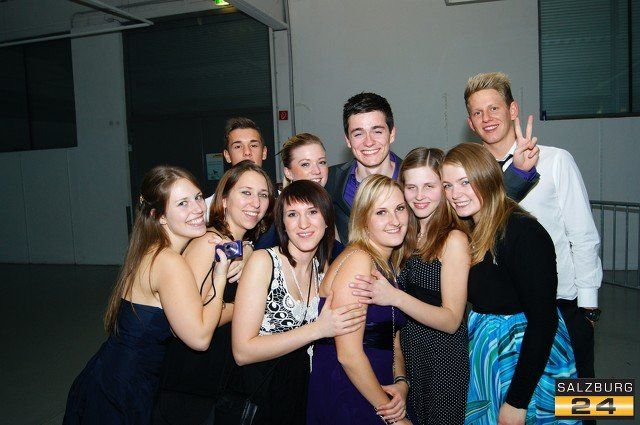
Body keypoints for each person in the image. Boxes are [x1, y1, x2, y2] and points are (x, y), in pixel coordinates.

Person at [464, 72, 602, 392]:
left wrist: (588, 306)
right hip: (504, 314)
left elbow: (582, 234)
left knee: (583, 398)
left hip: (562, 304)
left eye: (494, 108)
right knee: (518, 401)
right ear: (470, 123)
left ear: (512, 110)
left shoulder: (556, 161)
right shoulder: (468, 176)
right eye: (477, 112)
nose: (487, 118)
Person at [64, 166, 229, 425]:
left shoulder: (150, 249)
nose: (198, 209)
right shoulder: (168, 261)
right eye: (182, 203)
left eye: (198, 197)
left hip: (111, 374)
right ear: (159, 216)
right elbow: (199, 338)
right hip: (123, 388)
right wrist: (221, 277)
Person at [442, 143, 578, 425]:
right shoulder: (473, 228)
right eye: (448, 185)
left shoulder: (523, 232)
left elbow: (543, 322)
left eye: (465, 182)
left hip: (526, 364)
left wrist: (517, 401)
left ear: (488, 178)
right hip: (492, 358)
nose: (455, 194)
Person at [218, 180, 366, 425]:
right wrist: (318, 329)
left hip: (302, 395)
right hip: (259, 396)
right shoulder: (263, 262)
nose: (303, 224)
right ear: (283, 224)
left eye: (312, 212)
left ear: (327, 220)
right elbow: (242, 351)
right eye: (292, 214)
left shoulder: (323, 270)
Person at [350, 148, 471, 424]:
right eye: (411, 187)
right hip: (409, 357)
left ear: (444, 188)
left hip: (443, 360)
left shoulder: (453, 239)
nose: (419, 196)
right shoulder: (404, 236)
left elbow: (452, 320)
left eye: (429, 186)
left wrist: (394, 297)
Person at [326, 92, 539, 243]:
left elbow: (480, 204)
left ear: (392, 134)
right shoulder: (332, 180)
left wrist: (519, 173)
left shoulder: (417, 178)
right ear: (347, 140)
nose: (369, 141)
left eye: (377, 131)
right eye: (358, 133)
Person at [153, 161, 275, 425]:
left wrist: (247, 250)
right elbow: (186, 323)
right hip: (190, 384)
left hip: (218, 380)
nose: (255, 203)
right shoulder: (208, 243)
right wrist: (245, 308)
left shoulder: (239, 244)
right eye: (246, 192)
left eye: (263, 195)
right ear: (225, 199)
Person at [308, 174, 413, 425]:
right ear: (364, 220)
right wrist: (392, 417)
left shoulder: (384, 264)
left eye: (399, 208)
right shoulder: (358, 260)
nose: (395, 220)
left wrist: (401, 382)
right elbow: (348, 354)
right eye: (381, 212)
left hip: (377, 385)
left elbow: (391, 337)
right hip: (350, 392)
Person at [255, 132, 344, 260]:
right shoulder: (278, 215)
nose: (317, 171)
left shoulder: (330, 205)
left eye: (322, 162)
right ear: (288, 173)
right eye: (305, 164)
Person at [205, 117, 268, 214]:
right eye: (238, 147)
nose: (247, 152)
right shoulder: (207, 209)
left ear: (264, 152)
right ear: (227, 155)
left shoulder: (283, 203)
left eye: (253, 145)